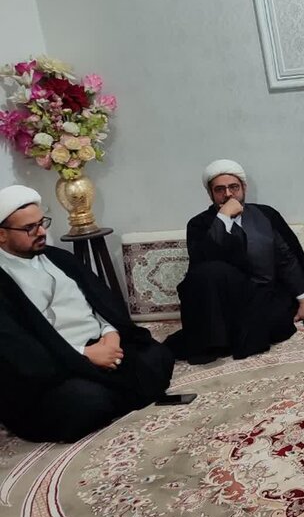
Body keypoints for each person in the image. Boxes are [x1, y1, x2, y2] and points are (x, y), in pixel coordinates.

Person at [0, 185, 174, 442]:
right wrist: (84, 354)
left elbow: (99, 302)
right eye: (30, 228)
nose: (42, 232)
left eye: (42, 223)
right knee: (86, 401)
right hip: (57, 366)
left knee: (157, 356)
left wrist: (111, 335)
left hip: (101, 344)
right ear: (2, 235)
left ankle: (115, 390)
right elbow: (18, 348)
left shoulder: (58, 258)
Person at [167, 159, 304, 364]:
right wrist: (223, 218)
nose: (228, 194)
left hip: (262, 296)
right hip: (221, 303)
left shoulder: (265, 214)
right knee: (210, 271)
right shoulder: (199, 224)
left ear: (244, 188)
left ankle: (232, 337)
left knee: (276, 324)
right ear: (210, 194)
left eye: (233, 187)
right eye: (220, 189)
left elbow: (287, 259)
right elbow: (202, 266)